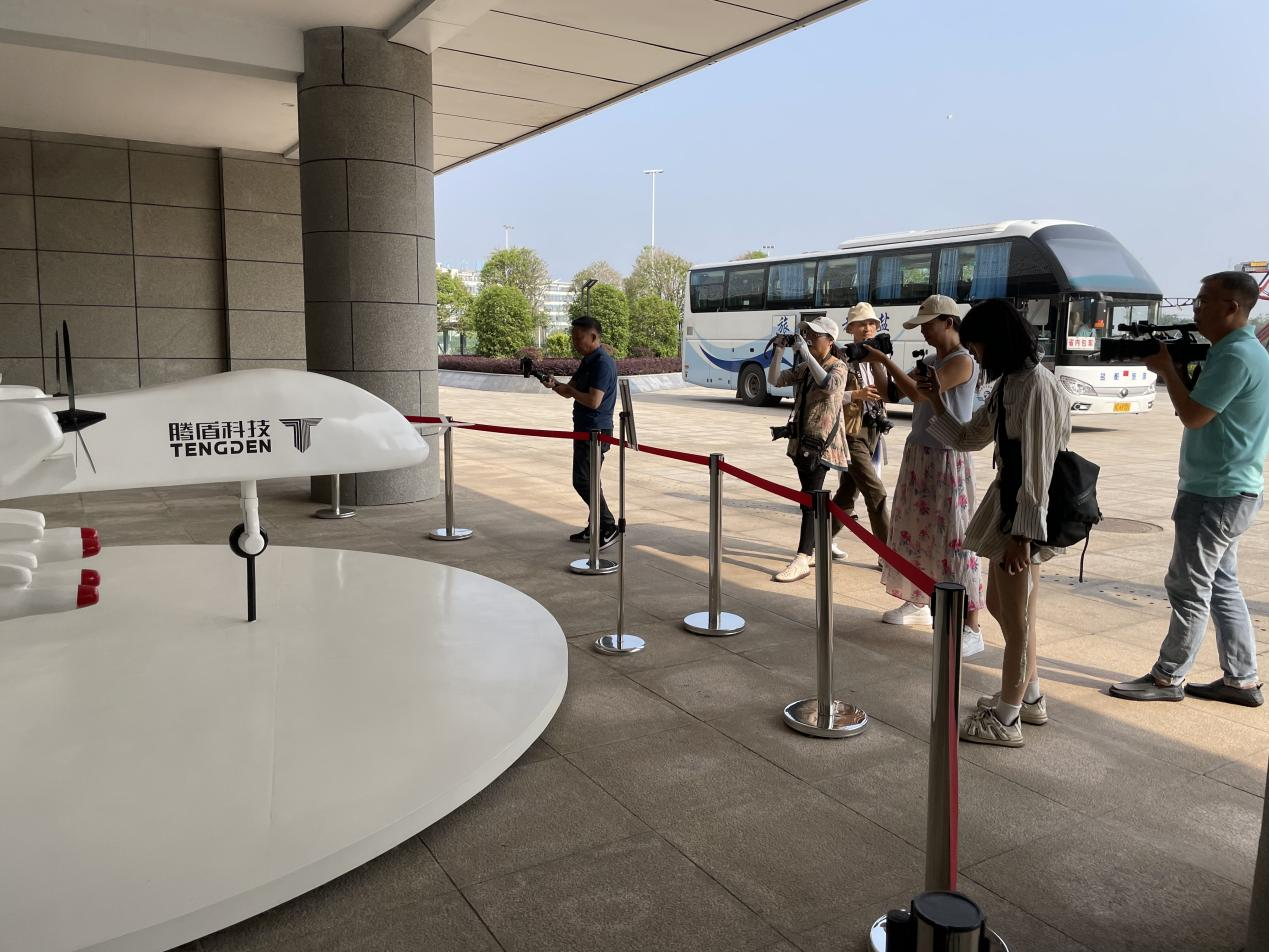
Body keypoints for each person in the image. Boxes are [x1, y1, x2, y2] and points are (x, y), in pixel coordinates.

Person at [1110, 271, 1269, 707]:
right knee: (1221, 584)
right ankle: (1241, 679)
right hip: (1234, 487)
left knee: (1188, 587)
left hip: (1215, 493)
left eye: (1202, 301)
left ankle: (1168, 678)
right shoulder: (1244, 350)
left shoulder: (1235, 355)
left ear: (1231, 307)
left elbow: (1195, 416)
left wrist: (1167, 370)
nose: (1195, 309)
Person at [920, 298, 1070, 748]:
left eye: (977, 345)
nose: (975, 354)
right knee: (1005, 607)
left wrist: (1024, 536)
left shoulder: (1037, 386)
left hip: (1024, 513)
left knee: (1017, 617)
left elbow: (1039, 467)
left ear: (996, 341)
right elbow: (971, 437)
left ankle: (1007, 716)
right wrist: (935, 399)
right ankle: (1030, 695)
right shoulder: (1011, 383)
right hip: (1012, 505)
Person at [864, 294, 985, 657]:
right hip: (921, 453)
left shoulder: (963, 360)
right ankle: (919, 599)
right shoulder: (932, 361)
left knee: (955, 539)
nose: (923, 333)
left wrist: (884, 359)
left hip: (948, 456)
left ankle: (972, 626)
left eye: (928, 326)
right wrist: (877, 364)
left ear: (949, 322)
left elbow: (918, 394)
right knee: (918, 533)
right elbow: (891, 393)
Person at [767, 315, 850, 583]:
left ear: (830, 340)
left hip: (821, 446)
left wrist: (804, 352)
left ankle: (803, 557)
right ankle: (813, 549)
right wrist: (779, 351)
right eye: (808, 335)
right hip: (802, 443)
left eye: (815, 336)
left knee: (810, 500)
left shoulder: (839, 367)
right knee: (809, 498)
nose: (810, 339)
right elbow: (775, 379)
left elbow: (828, 385)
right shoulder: (805, 368)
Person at [542, 316, 619, 550]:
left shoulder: (602, 363)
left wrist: (570, 390)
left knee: (583, 480)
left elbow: (594, 401)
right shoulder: (588, 360)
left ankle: (608, 526)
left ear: (593, 337)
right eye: (573, 338)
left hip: (596, 431)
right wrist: (555, 384)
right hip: (584, 429)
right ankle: (595, 526)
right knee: (590, 479)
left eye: (578, 338)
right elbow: (570, 391)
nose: (575, 343)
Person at [829, 303, 892, 561]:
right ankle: (889, 557)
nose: (868, 328)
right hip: (852, 433)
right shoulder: (842, 358)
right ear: (851, 329)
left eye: (872, 324)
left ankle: (819, 539)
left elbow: (888, 392)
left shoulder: (880, 356)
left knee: (848, 492)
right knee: (876, 492)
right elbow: (827, 394)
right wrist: (857, 394)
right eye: (861, 324)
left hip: (874, 431)